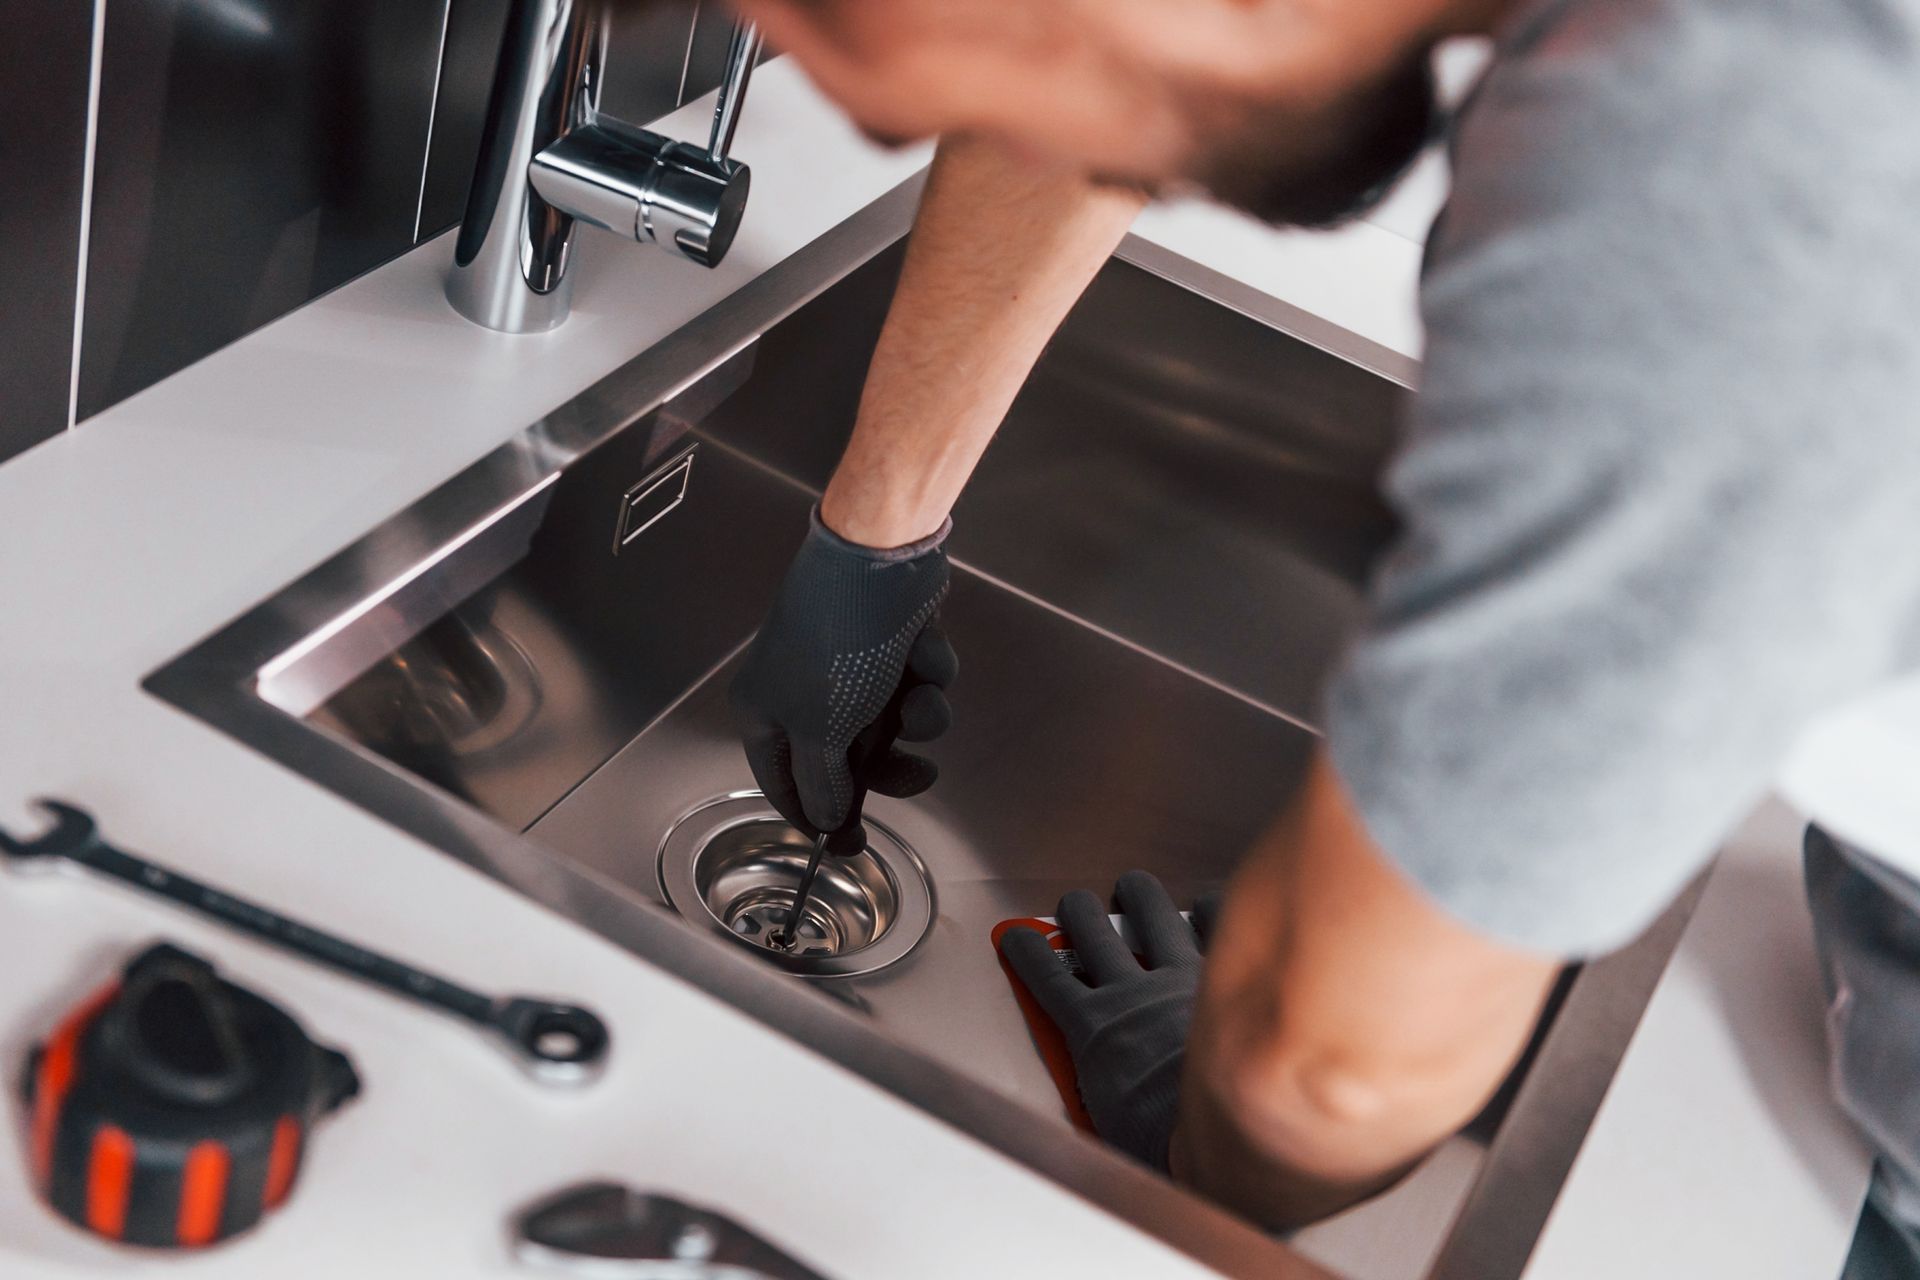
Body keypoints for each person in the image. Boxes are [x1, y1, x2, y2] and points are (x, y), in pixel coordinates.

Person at [721, 0, 1920, 1264]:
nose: (893, 122)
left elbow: (1339, 1073)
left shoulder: (1709, 158)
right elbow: (1094, 87)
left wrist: (1202, 1143)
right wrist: (875, 537)